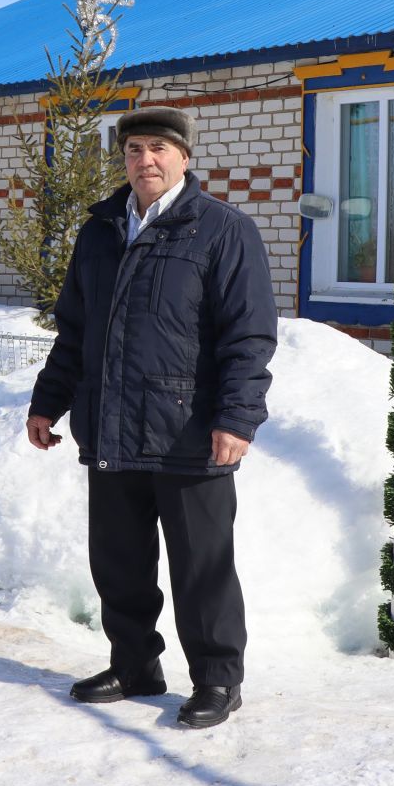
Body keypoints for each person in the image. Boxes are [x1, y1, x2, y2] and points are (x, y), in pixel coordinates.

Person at [26, 106, 277, 729]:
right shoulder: (102, 230)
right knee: (119, 562)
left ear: (185, 157)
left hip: (190, 433)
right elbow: (75, 331)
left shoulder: (222, 231)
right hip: (111, 427)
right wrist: (47, 401)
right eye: (135, 149)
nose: (147, 161)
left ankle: (218, 679)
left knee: (203, 567)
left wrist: (237, 419)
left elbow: (249, 336)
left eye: (160, 149)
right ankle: (135, 664)